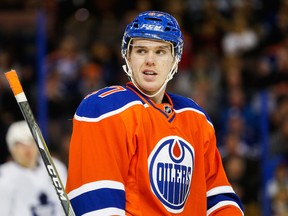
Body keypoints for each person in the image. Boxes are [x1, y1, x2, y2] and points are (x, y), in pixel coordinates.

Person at [66, 11, 244, 215]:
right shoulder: (105, 109)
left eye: (160, 52)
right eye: (141, 51)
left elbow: (219, 200)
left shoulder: (195, 117)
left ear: (175, 59)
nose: (150, 60)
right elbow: (98, 206)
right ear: (128, 57)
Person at [0, 121, 67, 216]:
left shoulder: (56, 167)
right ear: (12, 149)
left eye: (31, 141)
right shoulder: (4, 176)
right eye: (21, 144)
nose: (27, 149)